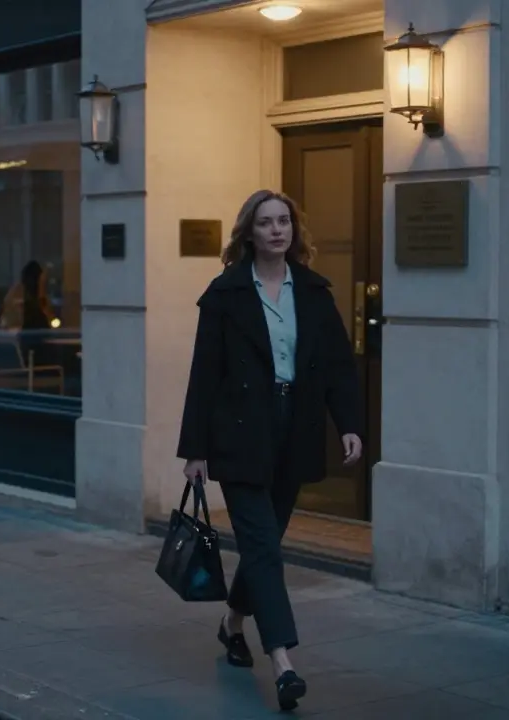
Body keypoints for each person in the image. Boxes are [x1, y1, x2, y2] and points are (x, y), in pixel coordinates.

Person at [177, 189, 363, 711]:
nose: (277, 230)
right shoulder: (226, 294)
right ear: (249, 233)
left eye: (284, 221)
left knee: (265, 542)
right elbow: (204, 374)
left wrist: (348, 424)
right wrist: (194, 449)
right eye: (266, 223)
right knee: (264, 549)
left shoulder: (314, 291)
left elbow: (336, 367)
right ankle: (283, 662)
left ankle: (232, 623)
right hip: (238, 434)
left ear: (294, 231)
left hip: (293, 430)